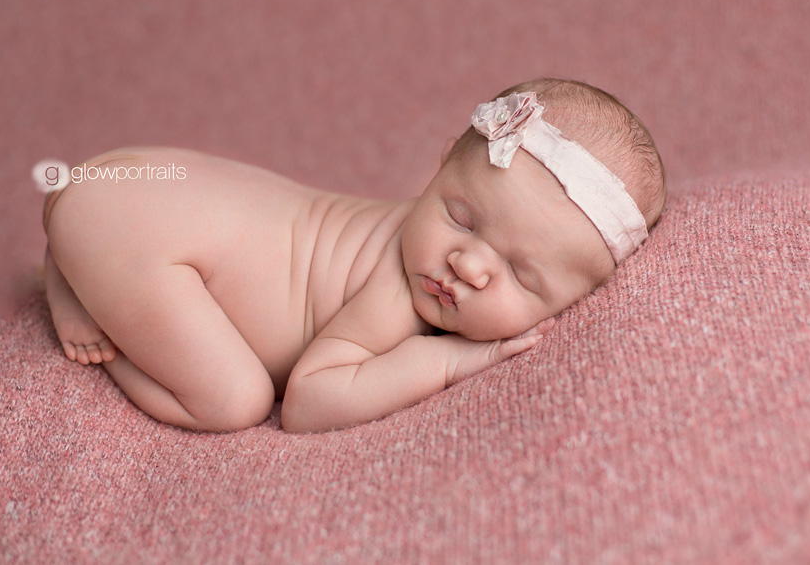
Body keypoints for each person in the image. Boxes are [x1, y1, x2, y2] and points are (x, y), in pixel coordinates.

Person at [42, 78, 666, 433]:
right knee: (234, 402)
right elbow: (309, 402)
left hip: (142, 182)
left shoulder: (434, 255)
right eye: (458, 216)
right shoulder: (400, 290)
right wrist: (444, 361)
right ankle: (88, 293)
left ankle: (78, 239)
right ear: (438, 164)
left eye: (521, 276)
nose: (466, 266)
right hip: (138, 220)